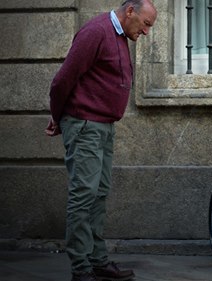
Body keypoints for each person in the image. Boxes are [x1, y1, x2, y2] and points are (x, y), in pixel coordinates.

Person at [45, 1, 157, 281]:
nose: (146, 32)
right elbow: (62, 80)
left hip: (103, 126)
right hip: (84, 124)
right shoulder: (96, 31)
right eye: (145, 23)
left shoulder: (118, 35)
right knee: (84, 195)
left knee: (98, 194)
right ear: (129, 12)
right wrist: (58, 117)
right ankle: (81, 268)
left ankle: (97, 261)